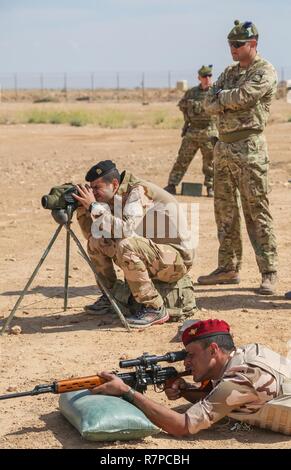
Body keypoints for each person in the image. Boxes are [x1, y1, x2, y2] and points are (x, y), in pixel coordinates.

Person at [91, 319, 291, 437]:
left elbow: (182, 426)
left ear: (213, 350)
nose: (185, 362)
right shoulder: (240, 355)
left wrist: (127, 392)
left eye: (191, 355)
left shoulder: (243, 378)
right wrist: (185, 389)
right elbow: (217, 399)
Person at [197, 20, 278, 295]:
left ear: (252, 44)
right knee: (224, 211)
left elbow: (245, 96)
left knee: (256, 210)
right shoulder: (230, 71)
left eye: (237, 44)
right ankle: (228, 267)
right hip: (224, 148)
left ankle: (269, 271)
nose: (232, 49)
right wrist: (220, 99)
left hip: (250, 147)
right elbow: (208, 103)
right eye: (230, 44)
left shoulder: (264, 71)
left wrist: (223, 98)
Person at [73, 160, 195, 328]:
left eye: (97, 188)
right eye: (91, 188)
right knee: (96, 242)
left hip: (177, 260)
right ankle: (111, 297)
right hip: (154, 253)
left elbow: (125, 230)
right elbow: (91, 235)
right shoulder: (113, 196)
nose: (93, 193)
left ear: (114, 184)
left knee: (126, 244)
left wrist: (94, 206)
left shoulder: (138, 191)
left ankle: (154, 308)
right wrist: (83, 209)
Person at [164, 65, 218, 197]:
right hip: (192, 132)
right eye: (204, 76)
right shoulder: (192, 93)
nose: (207, 78)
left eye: (209, 76)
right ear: (199, 77)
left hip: (210, 133)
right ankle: (172, 184)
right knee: (182, 160)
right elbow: (182, 106)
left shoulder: (216, 92)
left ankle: (210, 187)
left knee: (210, 163)